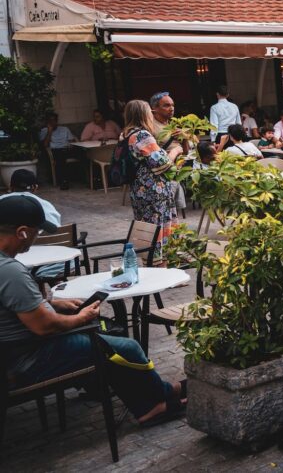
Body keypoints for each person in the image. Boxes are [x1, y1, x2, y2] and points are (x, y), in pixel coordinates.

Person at [0, 194, 187, 425]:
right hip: (28, 358)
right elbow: (45, 326)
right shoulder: (10, 271)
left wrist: (54, 304)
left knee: (106, 341)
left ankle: (154, 398)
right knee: (125, 347)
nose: (37, 238)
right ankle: (156, 403)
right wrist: (81, 317)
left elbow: (13, 307)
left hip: (13, 353)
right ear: (22, 232)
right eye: (36, 232)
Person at [121, 100, 182, 261]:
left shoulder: (125, 134)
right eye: (149, 112)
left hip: (138, 189)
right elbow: (163, 163)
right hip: (154, 190)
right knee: (158, 229)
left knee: (146, 228)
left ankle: (150, 261)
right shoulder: (142, 135)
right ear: (144, 115)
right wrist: (176, 150)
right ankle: (159, 264)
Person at [39, 113, 76, 190]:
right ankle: (64, 181)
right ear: (48, 122)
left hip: (68, 149)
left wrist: (71, 145)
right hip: (56, 151)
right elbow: (45, 145)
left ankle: (91, 178)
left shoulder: (64, 129)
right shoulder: (44, 131)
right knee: (60, 156)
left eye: (54, 120)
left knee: (84, 151)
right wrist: (49, 132)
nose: (53, 122)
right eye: (51, 120)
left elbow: (72, 141)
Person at [208, 85, 241, 149]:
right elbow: (238, 123)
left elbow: (214, 125)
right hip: (233, 135)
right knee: (234, 153)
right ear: (228, 95)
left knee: (222, 154)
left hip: (221, 135)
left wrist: (213, 140)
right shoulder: (234, 106)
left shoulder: (214, 108)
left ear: (217, 94)